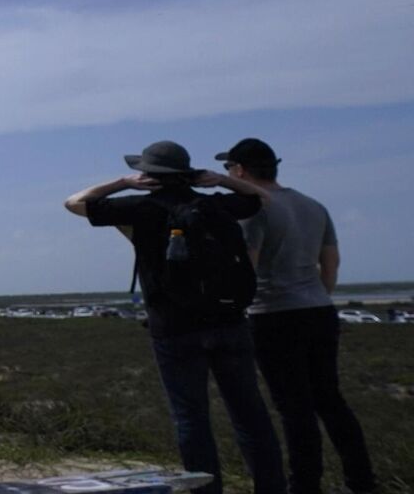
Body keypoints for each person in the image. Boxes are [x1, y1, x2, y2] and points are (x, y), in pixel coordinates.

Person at [64, 140, 284, 494]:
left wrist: (123, 183)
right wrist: (221, 180)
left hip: (174, 327)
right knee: (250, 413)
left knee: (191, 418)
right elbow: (262, 198)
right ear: (186, 173)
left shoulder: (141, 207)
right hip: (229, 321)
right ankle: (272, 487)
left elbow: (74, 202)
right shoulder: (216, 205)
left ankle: (205, 489)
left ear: (148, 174)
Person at [219, 138, 376, 494]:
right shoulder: (313, 205)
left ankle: (304, 484)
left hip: (274, 313)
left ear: (240, 170)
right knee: (331, 401)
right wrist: (316, 294)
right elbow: (331, 264)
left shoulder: (255, 209)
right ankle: (361, 481)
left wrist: (236, 306)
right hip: (319, 308)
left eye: (230, 169)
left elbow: (249, 267)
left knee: (294, 408)